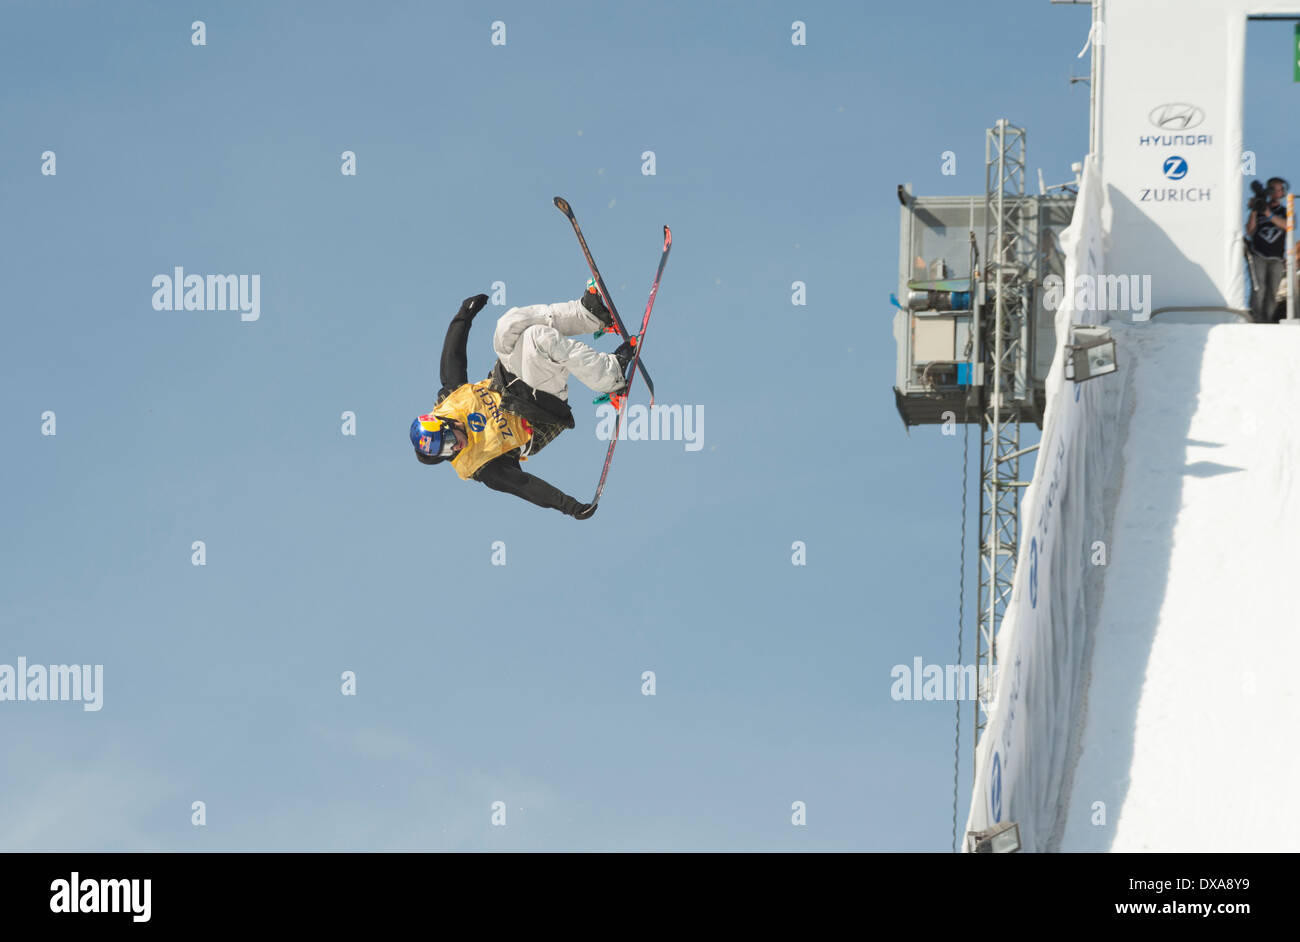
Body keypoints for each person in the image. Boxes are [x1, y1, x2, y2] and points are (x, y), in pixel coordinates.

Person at [410, 290, 635, 519]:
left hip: (512, 379)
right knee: (539, 338)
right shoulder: (480, 465)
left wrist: (464, 316)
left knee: (508, 325)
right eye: (447, 453)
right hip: (539, 411)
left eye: (449, 442)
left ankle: (589, 314)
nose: (455, 448)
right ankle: (611, 377)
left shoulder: (448, 401)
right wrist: (568, 506)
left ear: (445, 423)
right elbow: (524, 485)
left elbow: (453, 357)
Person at [1245, 177, 1289, 323]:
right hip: (1259, 255)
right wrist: (1254, 211)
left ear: (1283, 192)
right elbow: (1250, 231)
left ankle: (1268, 321)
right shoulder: (1259, 210)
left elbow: (1288, 225)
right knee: (1259, 290)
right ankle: (1256, 320)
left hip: (1276, 258)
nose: (1276, 193)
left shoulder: (1284, 211)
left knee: (1272, 292)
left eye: (1279, 190)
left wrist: (1268, 213)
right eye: (1273, 189)